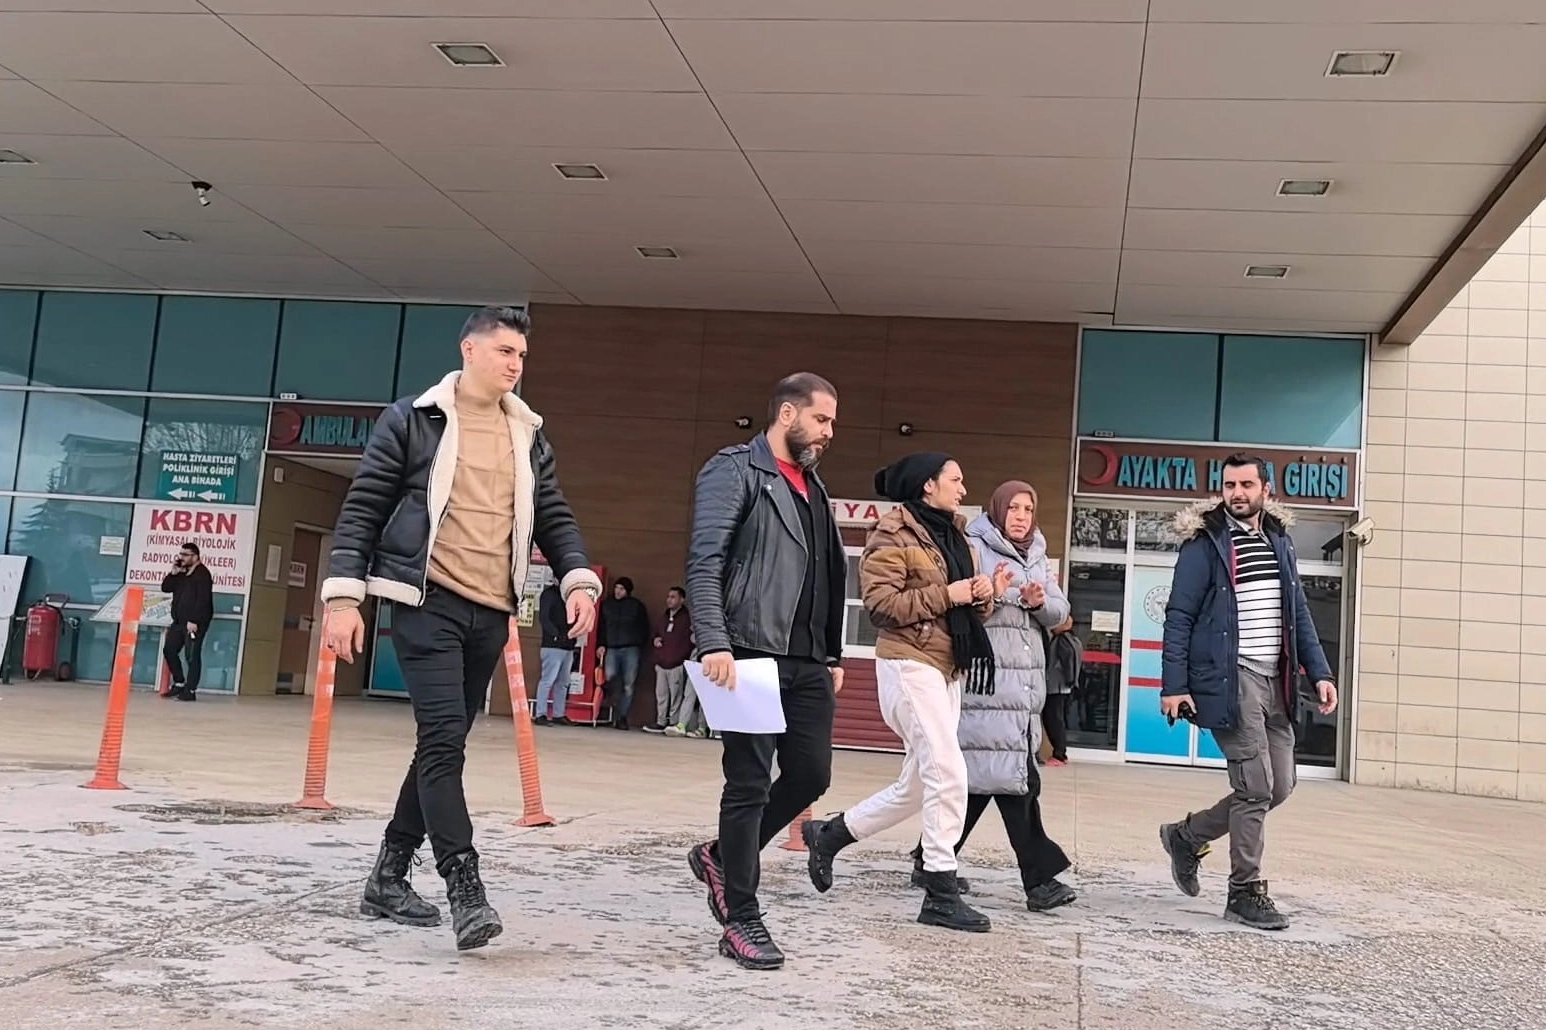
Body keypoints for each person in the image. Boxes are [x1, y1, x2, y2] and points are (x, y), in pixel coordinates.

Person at [320, 305, 601, 952]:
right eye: (504, 351)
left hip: (491, 611)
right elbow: (363, 508)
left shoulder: (526, 435)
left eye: (521, 356)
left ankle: (388, 875)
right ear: (469, 350)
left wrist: (577, 578)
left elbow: (554, 515)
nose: (515, 364)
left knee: (439, 744)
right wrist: (343, 598)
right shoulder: (413, 420)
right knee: (445, 742)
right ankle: (464, 886)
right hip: (427, 603)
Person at [801, 454, 1010, 934]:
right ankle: (940, 890)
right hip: (909, 664)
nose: (963, 489)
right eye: (955, 480)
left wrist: (986, 593)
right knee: (950, 773)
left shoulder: (955, 534)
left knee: (917, 786)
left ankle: (830, 835)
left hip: (947, 667)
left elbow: (963, 612)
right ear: (927, 485)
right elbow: (881, 606)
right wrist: (952, 594)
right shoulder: (892, 534)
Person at [684, 371, 846, 971]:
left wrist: (831, 654)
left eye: (832, 422)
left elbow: (825, 575)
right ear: (786, 413)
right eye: (822, 419)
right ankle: (741, 919)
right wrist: (713, 642)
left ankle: (722, 856)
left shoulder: (814, 487)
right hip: (747, 651)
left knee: (810, 774)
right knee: (749, 783)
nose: (829, 432)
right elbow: (705, 561)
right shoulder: (737, 470)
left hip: (806, 660)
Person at [1157, 453, 1337, 932]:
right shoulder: (1205, 544)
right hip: (1231, 679)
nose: (1237, 493)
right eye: (1229, 485)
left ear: (1265, 490)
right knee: (1255, 788)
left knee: (1279, 787)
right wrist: (1174, 685)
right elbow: (1179, 617)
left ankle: (1186, 835)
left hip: (1278, 680)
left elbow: (1298, 614)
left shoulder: (1280, 541)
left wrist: (1319, 672)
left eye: (1246, 485)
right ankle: (1244, 891)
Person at [904, 481, 1076, 911]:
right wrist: (1004, 595)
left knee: (983, 779)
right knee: (1012, 779)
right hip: (987, 679)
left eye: (1028, 509)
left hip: (1024, 685)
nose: (1021, 516)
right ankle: (1040, 881)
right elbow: (964, 604)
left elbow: (1060, 611)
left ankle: (929, 858)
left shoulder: (1037, 552)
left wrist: (1037, 603)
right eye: (1014, 508)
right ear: (998, 510)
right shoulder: (975, 545)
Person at [160, 541, 213, 702]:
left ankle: (190, 690)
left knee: (191, 655)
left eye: (185, 555)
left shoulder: (202, 574)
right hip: (178, 621)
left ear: (195, 557)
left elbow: (203, 600)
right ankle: (179, 682)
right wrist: (173, 573)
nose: (181, 557)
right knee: (169, 649)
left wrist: (194, 620)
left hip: (194, 622)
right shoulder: (182, 573)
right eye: (180, 554)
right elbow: (166, 588)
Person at [596, 576, 650, 729]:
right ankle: (612, 710)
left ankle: (622, 717)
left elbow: (644, 627)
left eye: (622, 589)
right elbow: (601, 627)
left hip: (631, 648)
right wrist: (601, 644)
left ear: (628, 591)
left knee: (628, 684)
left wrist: (639, 643)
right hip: (611, 647)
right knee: (610, 678)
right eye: (616, 588)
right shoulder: (607, 605)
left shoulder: (636, 606)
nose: (618, 591)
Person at [645, 586, 693, 733]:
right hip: (661, 662)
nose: (669, 600)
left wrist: (682, 658)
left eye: (673, 597)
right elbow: (656, 634)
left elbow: (689, 642)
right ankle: (660, 721)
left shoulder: (687, 619)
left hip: (677, 663)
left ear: (682, 599)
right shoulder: (664, 617)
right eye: (668, 597)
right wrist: (655, 641)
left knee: (676, 696)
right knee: (661, 694)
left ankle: (673, 722)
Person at [1042, 615, 1081, 766]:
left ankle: (1059, 754)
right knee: (1057, 718)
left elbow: (1066, 663)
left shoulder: (1062, 640)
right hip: (1064, 687)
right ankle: (1060, 753)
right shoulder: (1074, 640)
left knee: (1053, 719)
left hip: (1056, 686)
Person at [534, 582, 574, 726]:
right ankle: (540, 714)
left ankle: (559, 713)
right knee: (548, 680)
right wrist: (556, 634)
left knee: (563, 682)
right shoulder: (549, 594)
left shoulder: (569, 593)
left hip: (568, 645)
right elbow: (544, 618)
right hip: (552, 645)